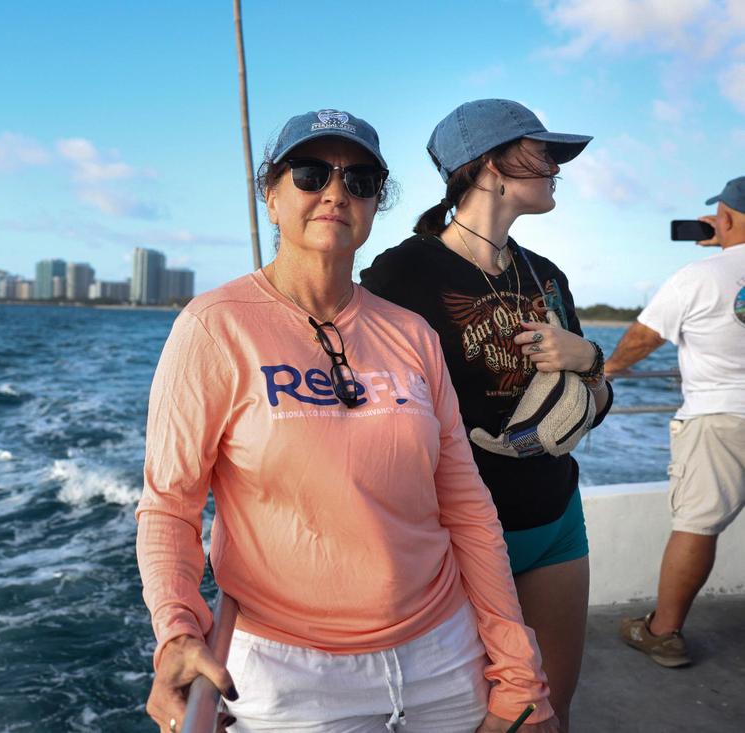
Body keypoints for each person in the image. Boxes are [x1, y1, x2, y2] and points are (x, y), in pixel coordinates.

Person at [136, 108, 558, 733]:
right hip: (291, 677)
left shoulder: (411, 332)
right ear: (270, 195)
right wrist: (176, 630)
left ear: (374, 203)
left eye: (360, 180)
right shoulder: (213, 328)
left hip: (444, 654)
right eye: (310, 174)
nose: (336, 191)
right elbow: (170, 505)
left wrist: (519, 669)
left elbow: (466, 504)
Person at [360, 99, 614, 733]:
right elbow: (363, 410)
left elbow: (593, 401)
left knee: (547, 714)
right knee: (474, 717)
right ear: (491, 168)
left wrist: (589, 356)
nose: (556, 167)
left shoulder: (546, 275)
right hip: (460, 535)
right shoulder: (402, 274)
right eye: (542, 153)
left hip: (557, 520)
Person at [605, 176, 745, 667]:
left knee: (696, 526)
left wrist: (604, 371)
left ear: (722, 217)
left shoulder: (700, 275)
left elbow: (644, 339)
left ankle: (662, 633)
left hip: (717, 420)